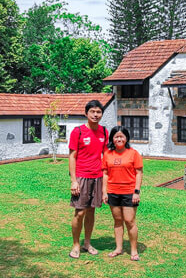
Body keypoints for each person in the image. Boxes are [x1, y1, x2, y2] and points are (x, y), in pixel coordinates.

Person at [68, 100, 108, 259]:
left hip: (97, 177)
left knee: (91, 211)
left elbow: (106, 156)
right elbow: (72, 157)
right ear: (86, 113)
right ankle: (76, 245)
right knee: (80, 212)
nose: (96, 115)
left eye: (99, 112)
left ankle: (87, 243)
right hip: (82, 177)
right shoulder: (77, 132)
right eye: (92, 111)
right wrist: (74, 180)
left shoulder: (104, 132)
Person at [101, 126, 143, 261]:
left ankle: (134, 250)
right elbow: (105, 174)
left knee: (130, 221)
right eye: (116, 136)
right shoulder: (107, 154)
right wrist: (104, 192)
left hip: (129, 192)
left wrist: (136, 192)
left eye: (121, 136)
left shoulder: (133, 153)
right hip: (113, 192)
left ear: (126, 138)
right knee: (118, 221)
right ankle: (118, 248)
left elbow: (139, 173)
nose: (119, 139)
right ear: (112, 139)